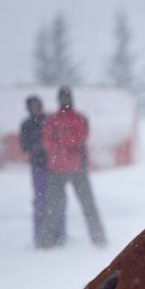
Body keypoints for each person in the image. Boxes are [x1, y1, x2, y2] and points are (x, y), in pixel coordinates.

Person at [41, 86, 106, 247]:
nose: (65, 101)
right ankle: (47, 241)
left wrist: (61, 144)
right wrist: (64, 145)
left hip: (74, 167)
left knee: (86, 204)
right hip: (59, 168)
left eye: (66, 97)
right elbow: (48, 140)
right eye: (62, 98)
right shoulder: (53, 119)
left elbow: (79, 138)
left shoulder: (77, 118)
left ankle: (99, 239)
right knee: (53, 207)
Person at [19, 95, 52, 247]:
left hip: (53, 166)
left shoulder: (49, 120)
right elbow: (24, 145)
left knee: (56, 201)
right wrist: (37, 148)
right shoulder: (26, 124)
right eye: (32, 106)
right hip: (38, 166)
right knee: (40, 201)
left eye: (37, 105)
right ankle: (40, 236)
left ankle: (56, 234)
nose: (35, 108)